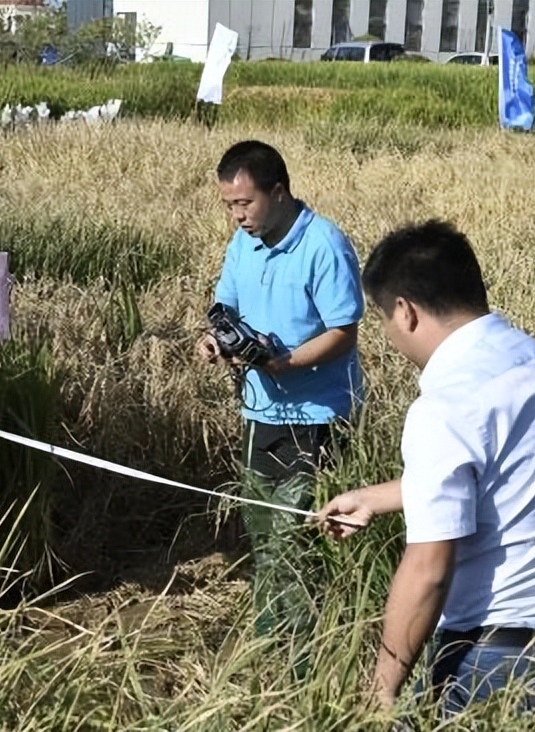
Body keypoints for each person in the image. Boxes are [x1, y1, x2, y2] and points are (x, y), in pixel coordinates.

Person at [315, 220, 535, 716]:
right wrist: (377, 498)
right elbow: (513, 474)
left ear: (406, 311)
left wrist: (380, 691)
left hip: (500, 660)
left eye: (382, 319)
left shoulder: (445, 403)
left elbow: (429, 569)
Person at [196, 140, 364, 669]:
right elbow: (226, 307)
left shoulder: (323, 245)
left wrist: (285, 363)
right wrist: (217, 342)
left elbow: (344, 331)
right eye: (228, 205)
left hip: (316, 419)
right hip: (260, 415)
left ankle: (307, 662)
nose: (237, 215)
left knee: (298, 545)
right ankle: (270, 644)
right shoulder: (242, 244)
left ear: (279, 192)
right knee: (265, 539)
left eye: (244, 203)